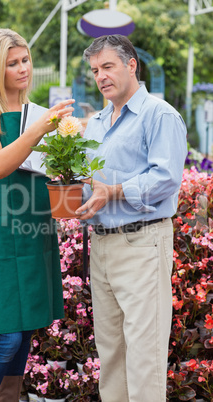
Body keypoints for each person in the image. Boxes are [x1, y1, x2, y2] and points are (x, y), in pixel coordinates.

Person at [0, 28, 75, 402]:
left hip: (32, 226)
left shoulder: (36, 112)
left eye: (25, 60)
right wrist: (40, 130)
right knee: (5, 333)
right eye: (13, 63)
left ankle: (10, 397)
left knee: (26, 330)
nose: (23, 68)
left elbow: (47, 170)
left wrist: (73, 170)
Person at [75, 35, 187, 402]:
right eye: (95, 71)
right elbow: (89, 182)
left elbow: (166, 177)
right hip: (102, 246)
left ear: (131, 65)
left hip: (142, 244)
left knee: (144, 356)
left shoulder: (160, 114)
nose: (101, 77)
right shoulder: (96, 123)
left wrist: (114, 191)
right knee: (111, 355)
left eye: (107, 67)